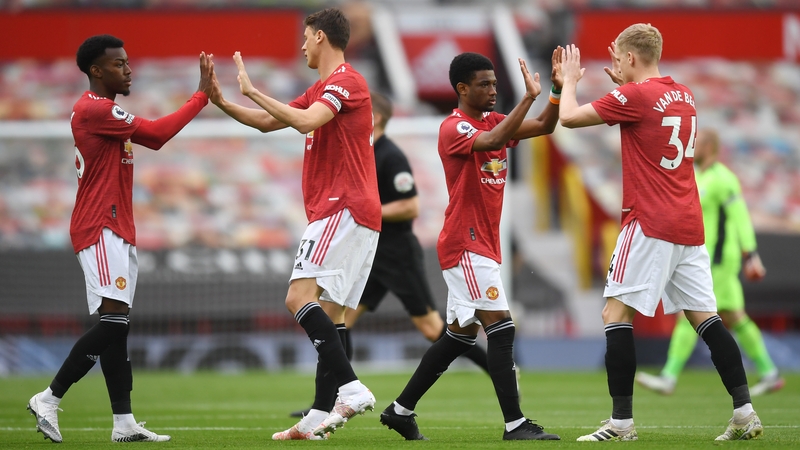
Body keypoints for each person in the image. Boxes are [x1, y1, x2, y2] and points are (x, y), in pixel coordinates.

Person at [558, 24, 763, 441]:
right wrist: (625, 85)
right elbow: (649, 116)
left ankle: (621, 424)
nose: (616, 65)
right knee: (707, 319)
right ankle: (745, 413)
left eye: (619, 59)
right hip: (688, 223)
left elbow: (568, 118)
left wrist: (570, 82)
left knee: (615, 315)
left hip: (649, 220)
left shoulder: (634, 96)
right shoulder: (684, 95)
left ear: (630, 58)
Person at [26, 34, 213, 443]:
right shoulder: (93, 109)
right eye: (118, 64)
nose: (128, 69)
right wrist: (201, 96)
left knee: (118, 326)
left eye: (127, 62)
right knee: (113, 323)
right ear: (96, 70)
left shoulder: (107, 110)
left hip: (117, 228)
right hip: (100, 227)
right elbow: (158, 134)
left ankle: (124, 423)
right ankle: (49, 397)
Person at [209, 8, 381, 441]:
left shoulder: (346, 81)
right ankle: (317, 417)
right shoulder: (321, 87)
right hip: (356, 212)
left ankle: (352, 389)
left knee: (296, 297)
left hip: (342, 206)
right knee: (331, 314)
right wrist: (224, 101)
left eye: (306, 38)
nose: (302, 45)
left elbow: (305, 121)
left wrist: (251, 89)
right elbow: (270, 123)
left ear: (321, 37)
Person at [380, 48, 564, 441]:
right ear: (462, 89)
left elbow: (545, 126)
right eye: (485, 84)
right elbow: (496, 138)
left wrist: (554, 91)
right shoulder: (455, 128)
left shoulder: (492, 119)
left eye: (496, 83)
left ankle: (400, 410)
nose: (493, 90)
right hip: (466, 244)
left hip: (481, 244)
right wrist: (527, 97)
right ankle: (515, 424)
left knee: (458, 336)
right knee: (502, 327)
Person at [288, 91, 492, 419]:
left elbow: (410, 205)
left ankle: (498, 370)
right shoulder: (362, 151)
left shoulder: (390, 155)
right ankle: (324, 405)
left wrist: (363, 211)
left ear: (376, 117)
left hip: (397, 254)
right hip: (368, 249)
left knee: (430, 328)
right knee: (338, 318)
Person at [636, 129, 784, 396]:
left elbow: (740, 218)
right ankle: (769, 372)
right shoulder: (697, 176)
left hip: (719, 259)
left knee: (689, 311)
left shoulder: (724, 179)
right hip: (704, 256)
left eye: (698, 143)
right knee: (734, 317)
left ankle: (669, 376)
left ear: (710, 146)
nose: (692, 146)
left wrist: (751, 254)